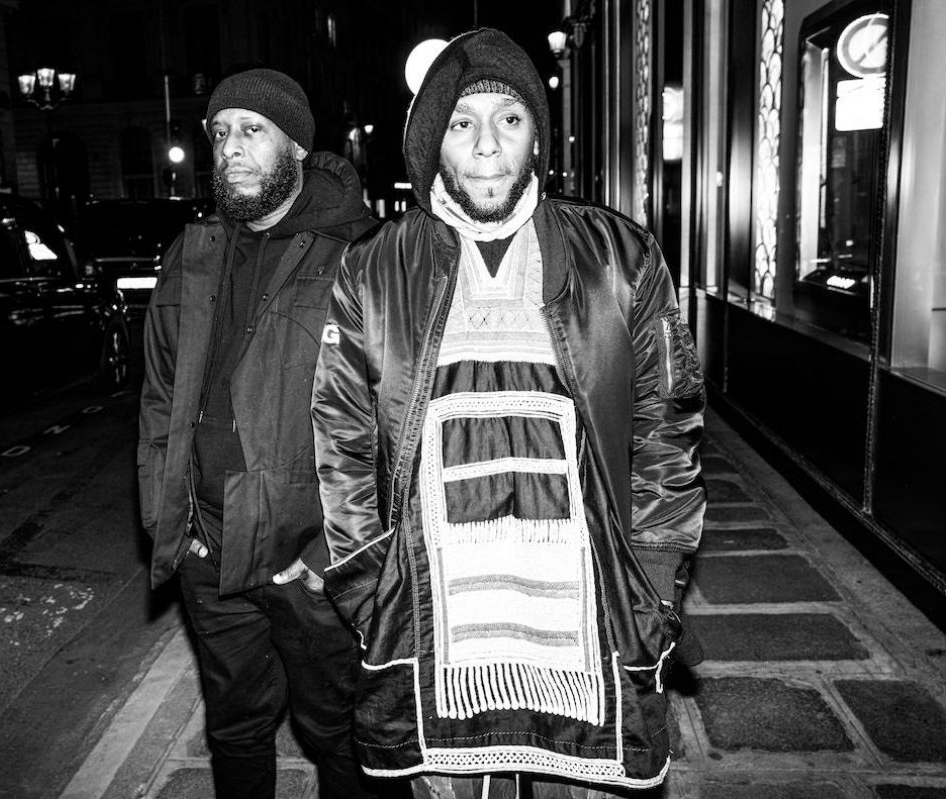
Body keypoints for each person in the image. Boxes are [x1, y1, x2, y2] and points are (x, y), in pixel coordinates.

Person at [311, 29, 706, 799]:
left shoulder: (621, 256)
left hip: (587, 635)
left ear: (537, 137)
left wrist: (657, 581)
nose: (487, 145)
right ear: (434, 141)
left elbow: (670, 424)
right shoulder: (372, 267)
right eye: (462, 122)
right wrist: (365, 585)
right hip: (434, 634)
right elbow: (341, 437)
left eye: (510, 119)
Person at [137, 68, 378, 799]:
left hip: (310, 555)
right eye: (219, 133)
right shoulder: (192, 253)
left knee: (344, 733)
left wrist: (331, 552)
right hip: (208, 548)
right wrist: (168, 519)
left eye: (252, 130)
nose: (230, 148)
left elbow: (396, 415)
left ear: (296, 146)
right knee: (235, 728)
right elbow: (159, 397)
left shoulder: (360, 252)